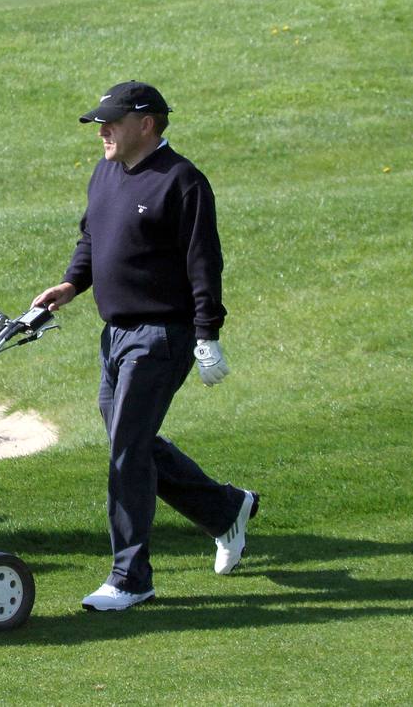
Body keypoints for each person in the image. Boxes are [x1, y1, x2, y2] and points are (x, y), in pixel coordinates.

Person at [31, 80, 258, 611]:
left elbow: (204, 263)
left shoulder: (182, 181)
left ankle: (130, 578)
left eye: (111, 122)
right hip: (114, 335)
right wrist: (70, 284)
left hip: (162, 335)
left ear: (147, 124)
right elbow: (92, 237)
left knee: (127, 450)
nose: (102, 131)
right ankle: (226, 509)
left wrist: (208, 335)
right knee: (128, 440)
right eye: (98, 123)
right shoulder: (107, 172)